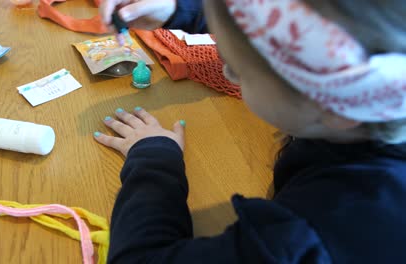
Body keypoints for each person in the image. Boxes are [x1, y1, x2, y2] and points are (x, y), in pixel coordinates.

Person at [94, 0, 406, 263]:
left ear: (337, 105)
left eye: (237, 67)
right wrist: (178, 10)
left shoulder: (316, 231)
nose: (227, 71)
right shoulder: (372, 96)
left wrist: (154, 158)